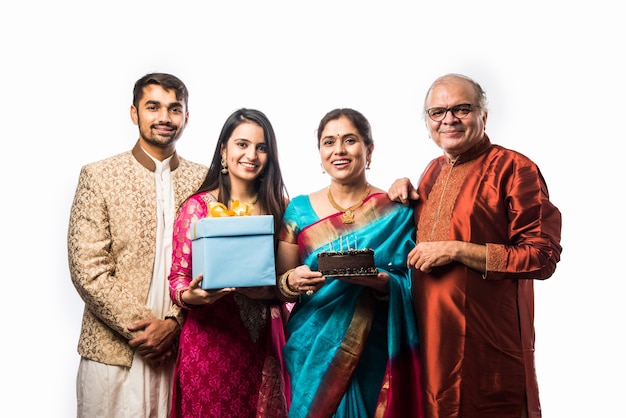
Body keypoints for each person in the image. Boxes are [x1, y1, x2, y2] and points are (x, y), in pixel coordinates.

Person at [388, 73, 562, 418]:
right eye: (437, 112)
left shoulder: (515, 168)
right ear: (427, 123)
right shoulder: (431, 172)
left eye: (461, 109)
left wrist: (457, 249)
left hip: (489, 350)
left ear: (484, 115)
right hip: (430, 345)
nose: (448, 119)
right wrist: (396, 196)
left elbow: (542, 257)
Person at [67, 73, 208, 417]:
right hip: (113, 352)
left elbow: (212, 266)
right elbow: (88, 269)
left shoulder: (204, 181)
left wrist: (173, 326)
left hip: (180, 350)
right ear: (134, 113)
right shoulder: (99, 176)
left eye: (174, 109)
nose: (164, 117)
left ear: (186, 118)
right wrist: (148, 329)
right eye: (153, 106)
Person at [275, 108, 424, 417]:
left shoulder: (396, 210)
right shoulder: (298, 210)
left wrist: (385, 284)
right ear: (320, 153)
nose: (339, 150)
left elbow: (415, 283)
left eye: (349, 140)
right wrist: (291, 282)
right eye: (329, 142)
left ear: (368, 150)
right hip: (311, 344)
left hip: (374, 343)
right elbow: (279, 283)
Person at [168, 108, 290, 417]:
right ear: (224, 149)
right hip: (210, 343)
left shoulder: (282, 209)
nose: (252, 154)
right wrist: (190, 297)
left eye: (261, 147)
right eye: (242, 144)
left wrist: (274, 290)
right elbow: (178, 277)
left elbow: (290, 281)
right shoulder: (198, 208)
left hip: (264, 344)